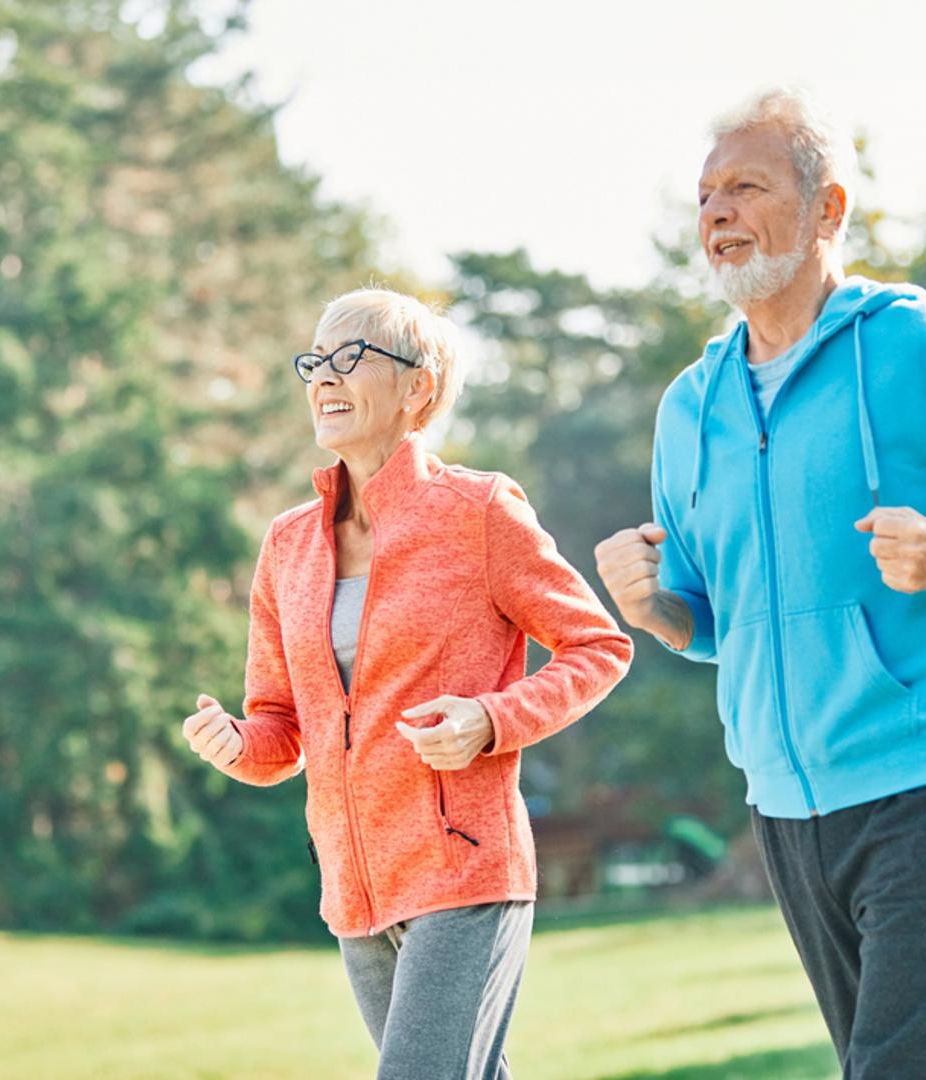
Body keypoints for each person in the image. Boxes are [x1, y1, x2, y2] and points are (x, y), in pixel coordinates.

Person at [594, 88, 926, 1079]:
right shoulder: (689, 408)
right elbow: (713, 620)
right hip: (784, 808)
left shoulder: (919, 345)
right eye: (704, 197)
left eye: (746, 188)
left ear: (827, 208)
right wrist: (652, 609)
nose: (716, 214)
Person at [182, 287, 633, 1079]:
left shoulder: (478, 511)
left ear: (417, 388)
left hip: (463, 870)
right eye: (316, 361)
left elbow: (598, 646)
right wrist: (234, 744)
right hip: (355, 890)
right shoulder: (288, 545)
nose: (325, 376)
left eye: (351, 357)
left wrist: (491, 719)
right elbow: (281, 729)